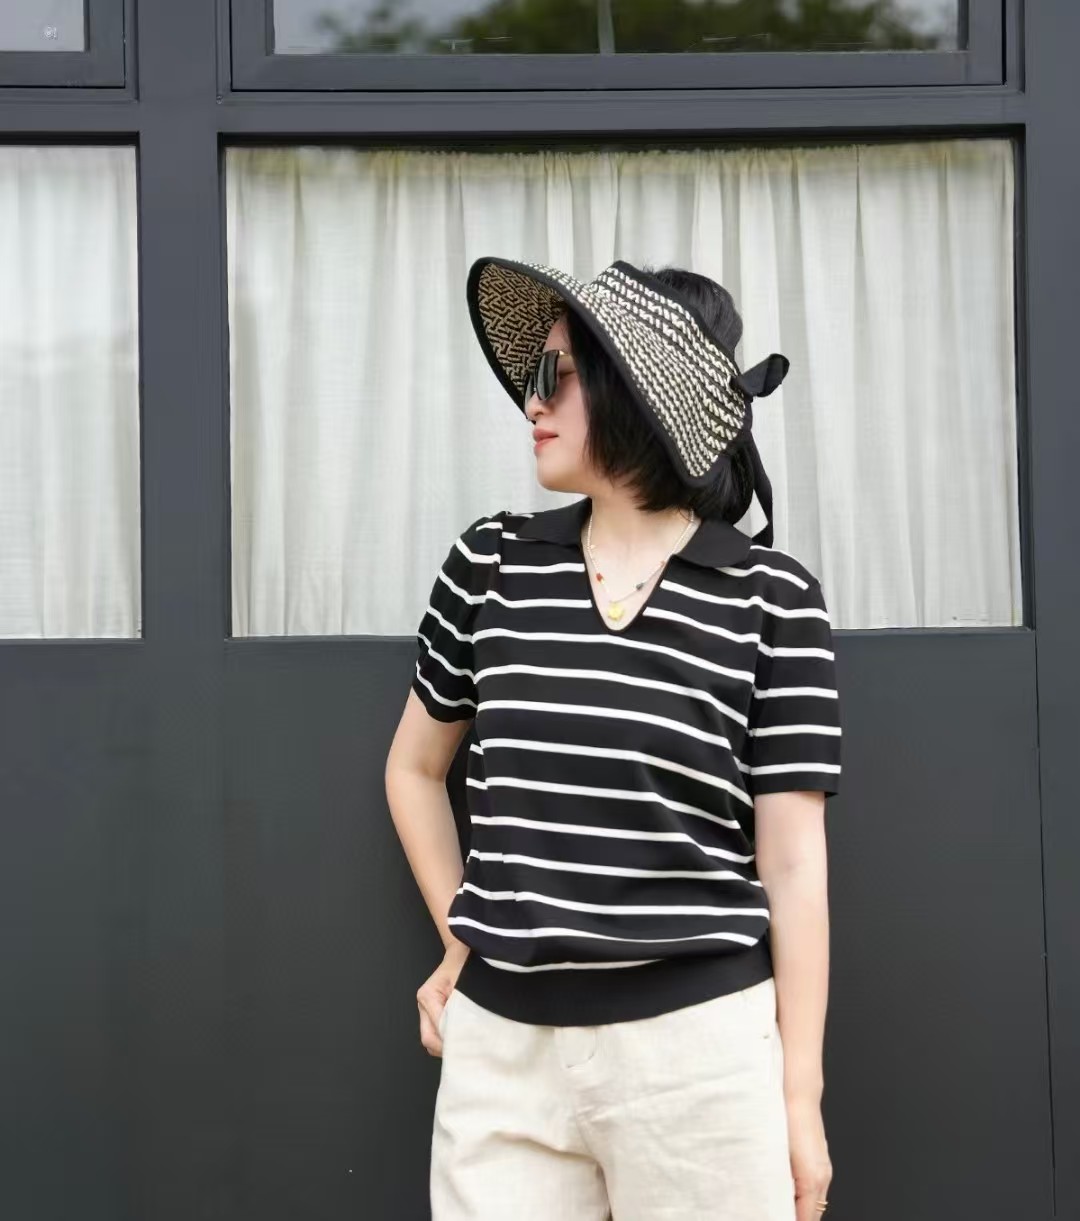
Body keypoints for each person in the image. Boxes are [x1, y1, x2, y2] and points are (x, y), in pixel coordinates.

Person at [384, 256, 841, 1221]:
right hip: (501, 1060)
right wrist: (463, 937)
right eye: (530, 378)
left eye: (555, 374)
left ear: (636, 389)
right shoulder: (490, 565)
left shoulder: (772, 601)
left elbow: (794, 865)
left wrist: (799, 1097)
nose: (531, 401)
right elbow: (415, 769)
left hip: (700, 1060)